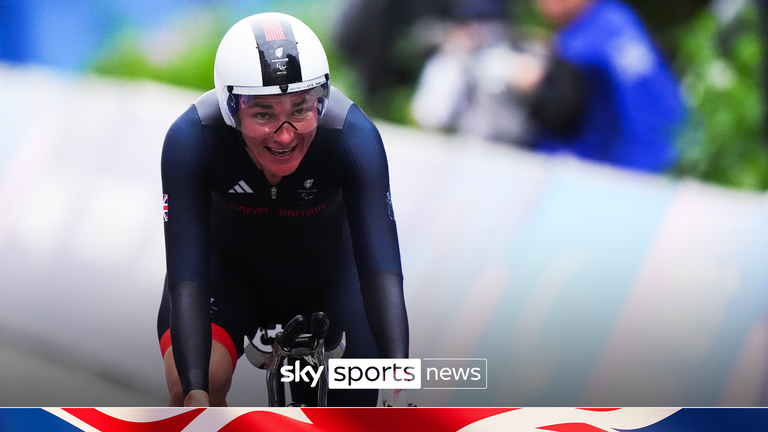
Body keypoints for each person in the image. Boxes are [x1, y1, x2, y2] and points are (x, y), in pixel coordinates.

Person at [157, 12, 409, 407]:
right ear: (230, 109)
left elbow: (381, 272)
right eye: (263, 114)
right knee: (198, 384)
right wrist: (194, 393)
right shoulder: (192, 139)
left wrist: (399, 378)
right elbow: (186, 278)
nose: (286, 134)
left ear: (321, 100)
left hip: (329, 281)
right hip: (229, 278)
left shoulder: (352, 136)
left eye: (300, 109)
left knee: (358, 403)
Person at [507, 0, 686, 172]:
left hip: (624, 177)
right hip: (606, 172)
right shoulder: (597, 23)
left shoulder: (607, 27)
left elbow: (657, 116)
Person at [411, 0, 534, 145]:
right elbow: (432, 115)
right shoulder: (450, 61)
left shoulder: (521, 53)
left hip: (520, 153)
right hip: (473, 152)